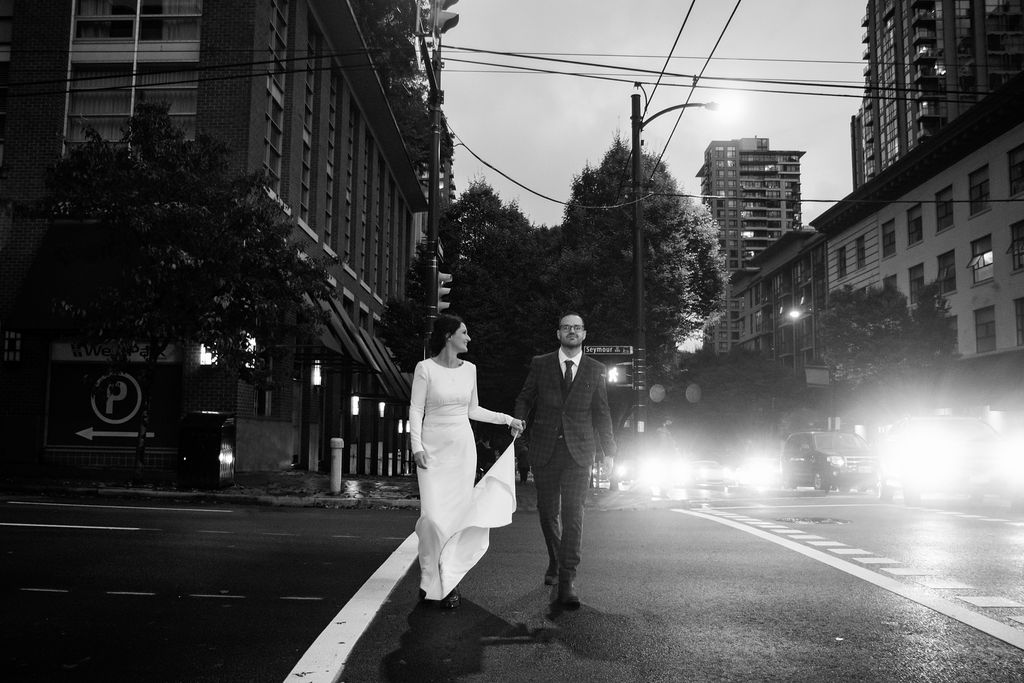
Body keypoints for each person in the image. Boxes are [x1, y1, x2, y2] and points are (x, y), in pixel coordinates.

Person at [409, 313, 524, 609]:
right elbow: (415, 410)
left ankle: (447, 583)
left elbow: (473, 409)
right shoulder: (425, 369)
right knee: (432, 518)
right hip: (433, 451)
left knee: (455, 519)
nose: (468, 337)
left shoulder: (470, 369)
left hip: (462, 450)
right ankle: (428, 576)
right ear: (449, 335)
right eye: (464, 332)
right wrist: (416, 445)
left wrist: (507, 419)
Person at [514, 312, 616, 608]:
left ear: (584, 334)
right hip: (545, 449)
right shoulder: (540, 364)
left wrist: (609, 451)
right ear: (558, 333)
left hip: (579, 453)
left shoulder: (596, 369)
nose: (572, 331)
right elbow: (525, 397)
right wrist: (517, 420)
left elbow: (602, 412)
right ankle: (555, 559)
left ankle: (568, 577)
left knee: (574, 513)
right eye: (566, 327)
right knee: (547, 512)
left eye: (577, 327)